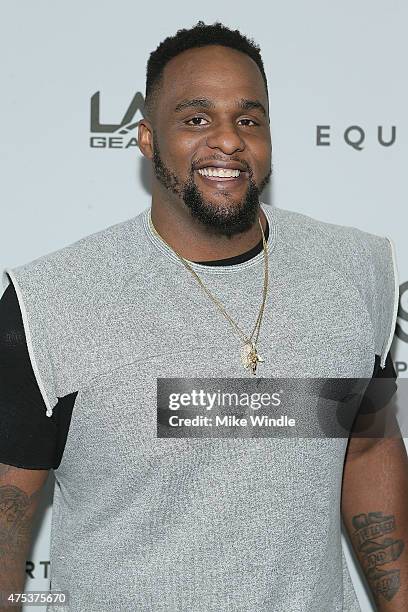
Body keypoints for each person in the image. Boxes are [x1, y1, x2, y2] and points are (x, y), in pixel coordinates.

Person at [0, 20, 407, 612]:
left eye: (249, 119)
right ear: (145, 139)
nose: (228, 141)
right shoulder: (48, 302)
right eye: (195, 119)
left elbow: (370, 449)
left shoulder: (355, 269)